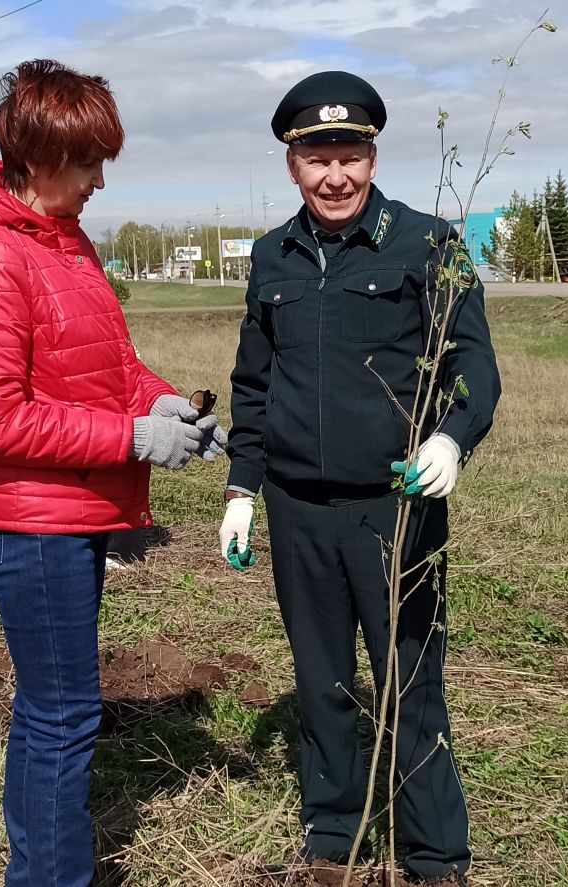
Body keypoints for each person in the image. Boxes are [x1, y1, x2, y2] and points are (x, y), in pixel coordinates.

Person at [0, 59, 219, 887]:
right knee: (64, 715)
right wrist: (131, 440)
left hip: (69, 513)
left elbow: (113, 366)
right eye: (87, 163)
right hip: (30, 521)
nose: (96, 182)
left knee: (52, 712)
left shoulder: (63, 241)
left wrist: (162, 405)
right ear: (39, 155)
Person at [220, 71, 502, 885]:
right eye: (317, 158)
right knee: (322, 683)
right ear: (292, 166)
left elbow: (471, 361)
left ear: (373, 156)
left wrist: (451, 438)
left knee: (410, 680)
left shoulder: (428, 243)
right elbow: (253, 384)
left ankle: (435, 853)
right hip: (298, 510)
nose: (335, 175)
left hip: (394, 509)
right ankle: (332, 839)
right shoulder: (272, 256)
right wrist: (244, 488)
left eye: (350, 154)